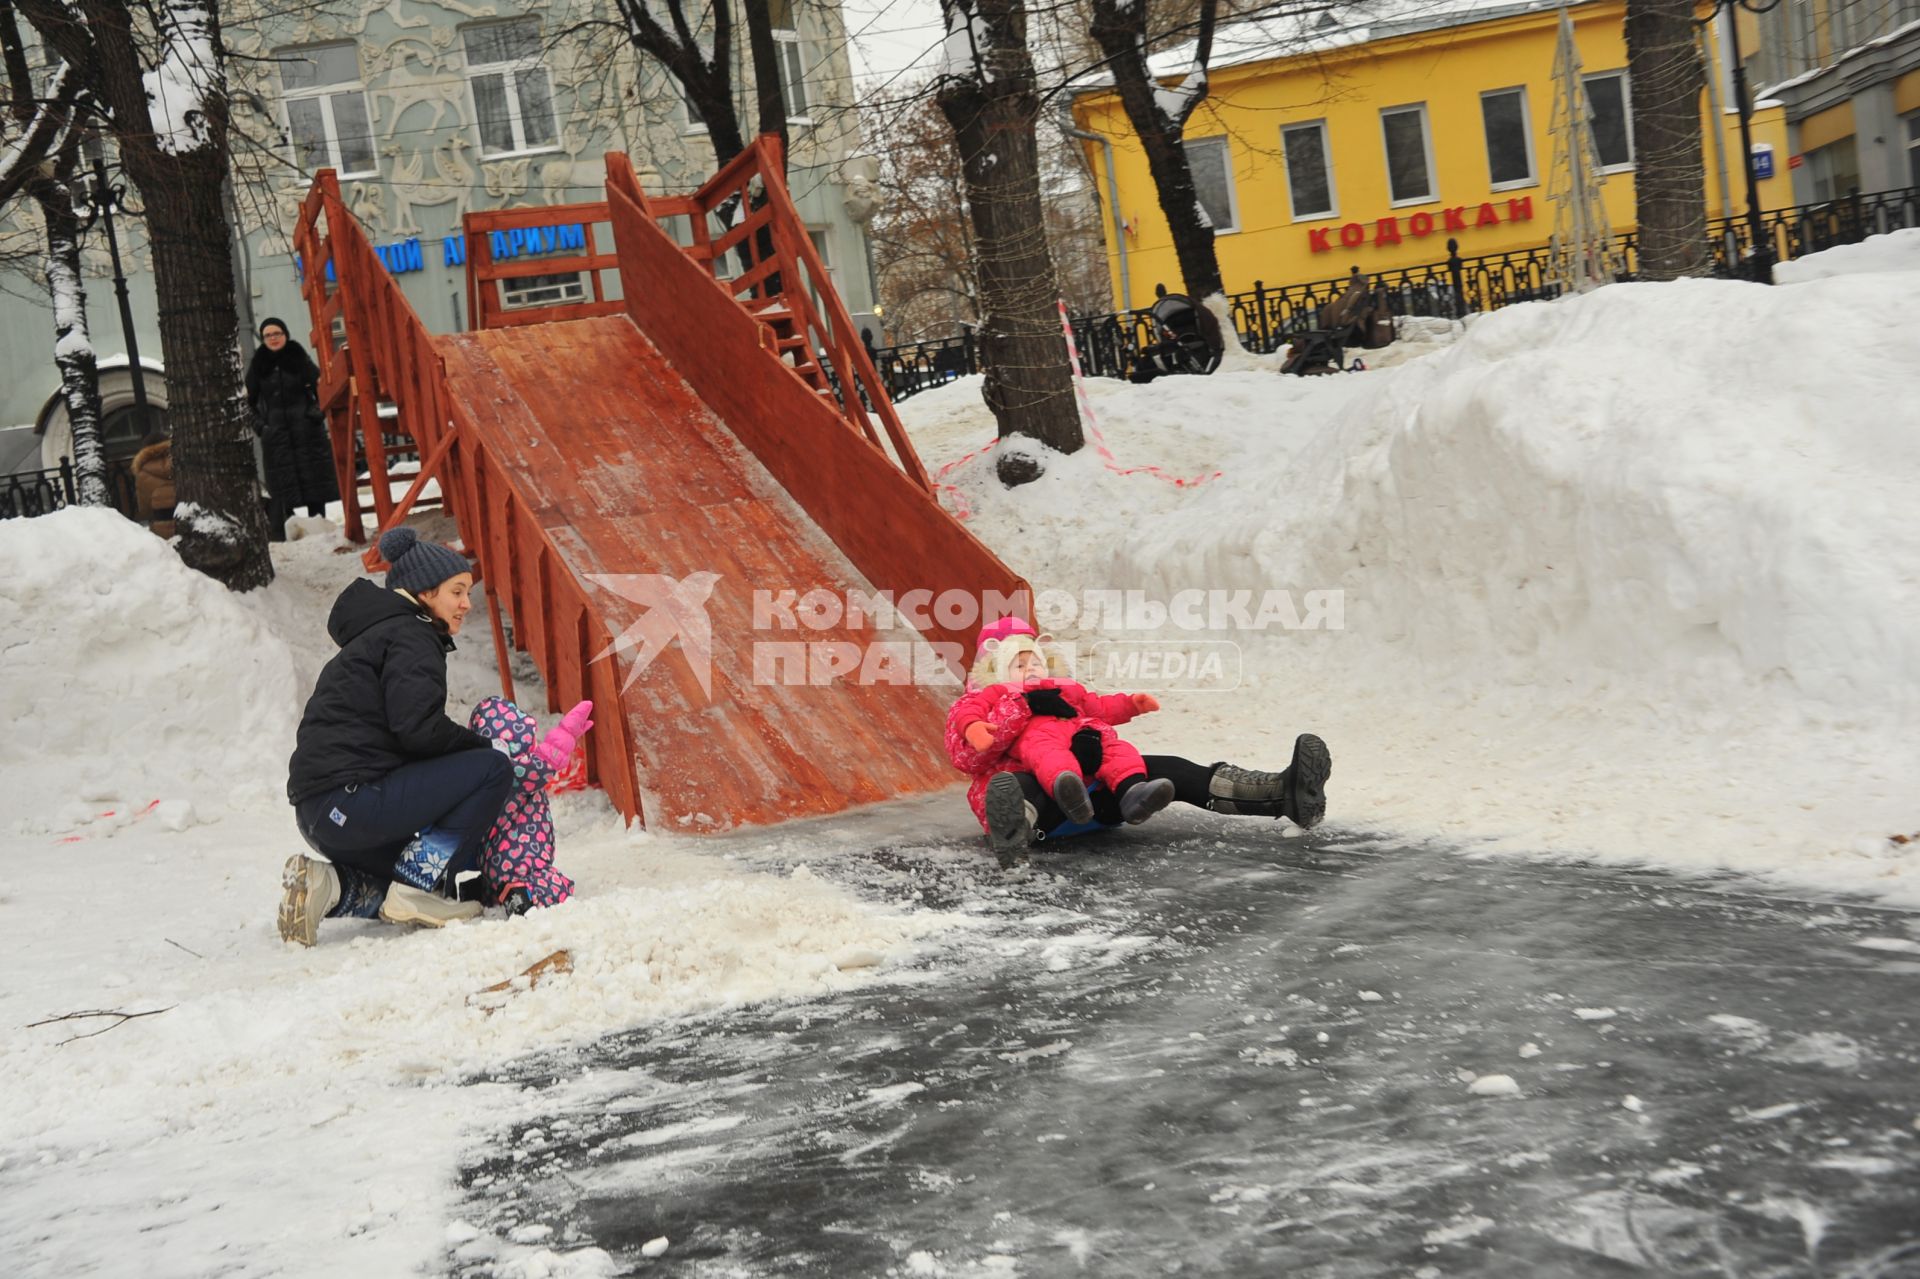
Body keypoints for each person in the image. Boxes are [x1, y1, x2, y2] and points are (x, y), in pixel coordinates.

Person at [277, 527, 519, 946]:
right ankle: (419, 887)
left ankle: (329, 886)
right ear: (426, 593)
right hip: (351, 798)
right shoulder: (412, 635)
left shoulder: (380, 635)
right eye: (457, 592)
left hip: (321, 813)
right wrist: (483, 746)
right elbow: (418, 730)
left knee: (407, 874)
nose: (466, 604)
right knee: (492, 770)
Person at [945, 618, 1332, 869]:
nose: (1030, 669)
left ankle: (1282, 795)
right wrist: (1020, 705)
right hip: (1048, 813)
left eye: (1035, 659)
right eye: (1018, 661)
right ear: (993, 667)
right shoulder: (979, 703)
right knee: (1017, 786)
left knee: (1170, 768)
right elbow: (967, 757)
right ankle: (1014, 830)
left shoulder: (1066, 694)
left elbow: (1100, 711)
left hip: (1094, 800)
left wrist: (1105, 729)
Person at [962, 629, 1176, 828]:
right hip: (1038, 736)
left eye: (1036, 663)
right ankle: (1072, 797)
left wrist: (1131, 704)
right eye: (1020, 666)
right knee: (1051, 757)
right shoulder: (1001, 691)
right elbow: (973, 708)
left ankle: (1133, 791)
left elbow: (1098, 706)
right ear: (1003, 673)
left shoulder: (1064, 688)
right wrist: (973, 726)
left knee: (1118, 749)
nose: (1030, 669)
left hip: (1077, 732)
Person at [466, 695, 590, 913]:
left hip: (491, 859)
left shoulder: (482, 774)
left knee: (500, 879)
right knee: (555, 883)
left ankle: (482, 890)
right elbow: (547, 761)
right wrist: (567, 733)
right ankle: (520, 897)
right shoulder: (516, 771)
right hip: (522, 857)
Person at [245, 316, 338, 535]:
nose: (273, 338)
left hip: (306, 432)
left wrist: (315, 414)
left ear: (285, 334)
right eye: (268, 335)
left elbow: (322, 390)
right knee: (284, 489)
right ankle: (290, 532)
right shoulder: (259, 364)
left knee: (314, 483)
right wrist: (261, 428)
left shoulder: (299, 357)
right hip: (276, 436)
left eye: (277, 333)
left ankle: (319, 528)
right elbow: (246, 403)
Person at [130, 429, 176, 539]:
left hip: (161, 529)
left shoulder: (142, 474)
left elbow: (145, 509)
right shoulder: (179, 463)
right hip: (187, 524)